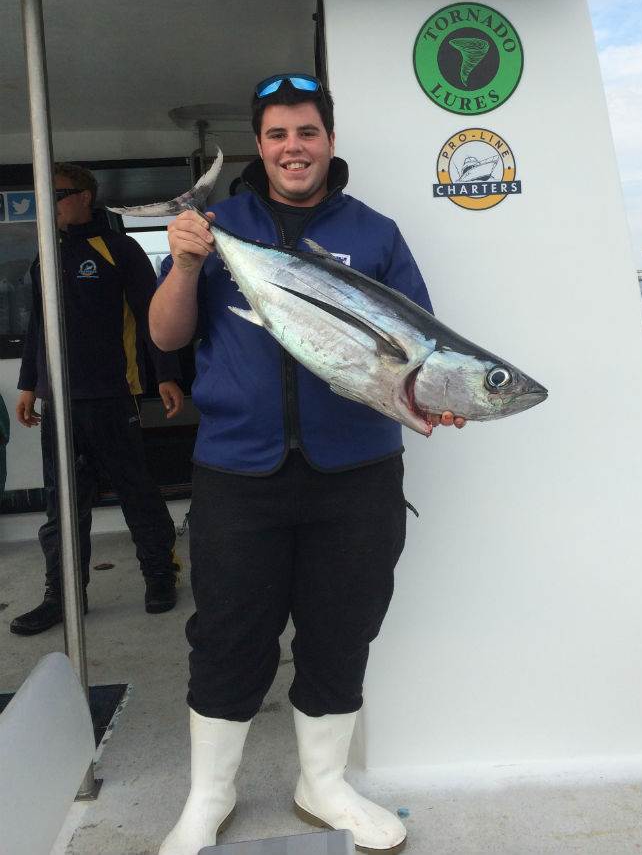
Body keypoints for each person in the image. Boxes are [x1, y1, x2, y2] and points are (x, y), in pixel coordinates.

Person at [151, 74, 465, 855]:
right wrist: (183, 263)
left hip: (357, 474)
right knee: (228, 632)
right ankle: (209, 795)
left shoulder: (377, 233)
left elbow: (420, 344)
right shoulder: (218, 226)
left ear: (329, 140)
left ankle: (321, 784)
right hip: (237, 471)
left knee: (341, 628)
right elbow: (165, 337)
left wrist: (440, 392)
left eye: (307, 132)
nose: (294, 147)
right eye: (279, 134)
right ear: (260, 147)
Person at [10, 163, 184, 637]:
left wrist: (167, 375)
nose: (50, 204)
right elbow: (37, 325)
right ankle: (64, 594)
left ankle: (159, 575)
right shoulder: (45, 255)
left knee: (136, 491)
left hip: (112, 394)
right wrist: (29, 384)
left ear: (85, 196)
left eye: (57, 194)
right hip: (59, 401)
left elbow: (152, 316)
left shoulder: (120, 249)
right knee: (62, 504)